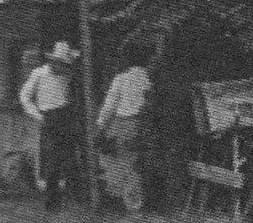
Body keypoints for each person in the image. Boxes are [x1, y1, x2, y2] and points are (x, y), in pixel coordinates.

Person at [19, 41, 82, 212]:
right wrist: (38, 116)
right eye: (60, 63)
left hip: (66, 116)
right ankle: (52, 202)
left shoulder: (68, 75)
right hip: (49, 117)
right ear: (53, 61)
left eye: (65, 64)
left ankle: (76, 199)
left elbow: (71, 94)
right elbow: (24, 96)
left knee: (70, 158)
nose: (62, 67)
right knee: (52, 160)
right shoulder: (38, 74)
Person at [94, 46, 154, 212]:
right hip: (141, 124)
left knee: (118, 161)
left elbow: (109, 107)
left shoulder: (121, 79)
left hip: (120, 125)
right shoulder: (149, 80)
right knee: (134, 163)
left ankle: (129, 201)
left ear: (127, 60)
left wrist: (100, 127)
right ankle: (135, 201)